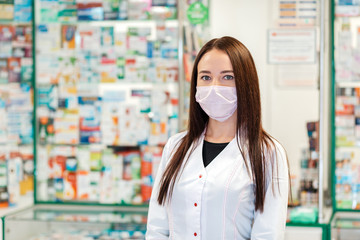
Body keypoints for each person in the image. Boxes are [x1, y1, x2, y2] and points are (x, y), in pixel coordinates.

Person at [146, 36, 289, 240]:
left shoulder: (268, 153)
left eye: (227, 77)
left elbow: (267, 235)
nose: (214, 86)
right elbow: (157, 229)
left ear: (246, 83)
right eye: (205, 77)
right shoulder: (175, 146)